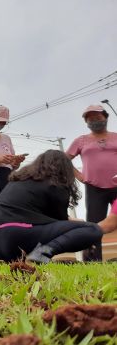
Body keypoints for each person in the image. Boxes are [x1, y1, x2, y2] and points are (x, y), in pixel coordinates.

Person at [0, 150, 103, 263]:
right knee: (93, 229)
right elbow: (60, 220)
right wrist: (83, 231)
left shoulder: (19, 179)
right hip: (19, 235)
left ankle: (32, 258)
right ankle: (41, 255)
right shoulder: (54, 183)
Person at [66, 104, 117, 261]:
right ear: (86, 122)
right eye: (91, 119)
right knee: (94, 226)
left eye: (98, 117)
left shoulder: (115, 136)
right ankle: (93, 261)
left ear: (106, 117)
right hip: (95, 188)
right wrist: (78, 175)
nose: (95, 120)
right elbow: (64, 159)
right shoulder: (81, 141)